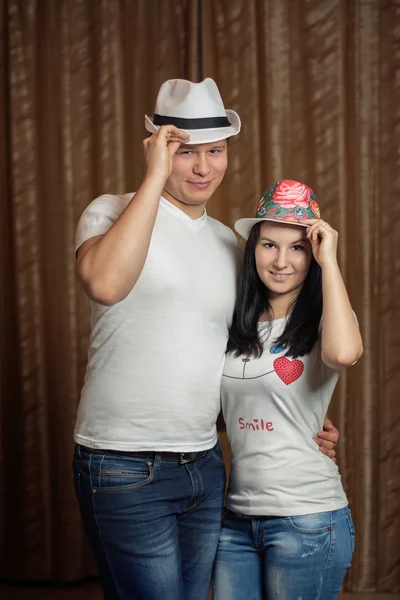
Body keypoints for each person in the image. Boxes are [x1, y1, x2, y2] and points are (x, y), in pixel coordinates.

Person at [72, 79, 340, 600]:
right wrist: (153, 178)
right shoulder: (109, 211)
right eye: (184, 152)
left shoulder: (230, 244)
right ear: (156, 149)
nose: (203, 168)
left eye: (214, 151)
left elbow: (235, 356)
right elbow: (106, 283)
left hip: (204, 463)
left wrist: (294, 416)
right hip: (123, 460)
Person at [213, 180, 363, 600]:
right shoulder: (238, 323)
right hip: (236, 518)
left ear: (311, 253)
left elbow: (345, 352)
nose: (281, 261)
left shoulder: (325, 317)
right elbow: (226, 409)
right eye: (268, 245)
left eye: (297, 247)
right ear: (253, 250)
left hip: (307, 518)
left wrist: (329, 261)